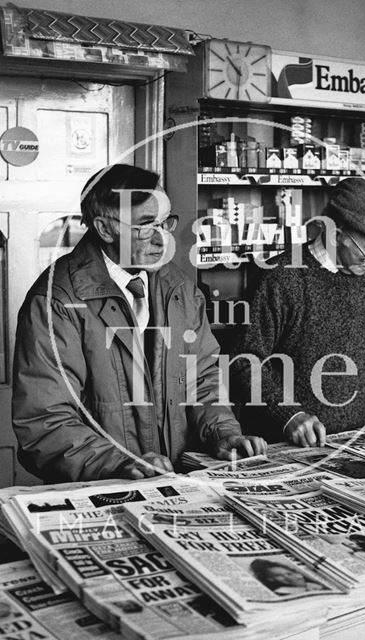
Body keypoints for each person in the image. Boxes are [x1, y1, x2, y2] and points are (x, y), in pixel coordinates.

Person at [12, 164, 266, 482]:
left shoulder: (181, 289)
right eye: (146, 225)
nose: (164, 240)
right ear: (105, 229)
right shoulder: (57, 301)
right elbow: (46, 420)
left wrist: (223, 433)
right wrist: (119, 463)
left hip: (179, 485)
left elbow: (202, 379)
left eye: (166, 223)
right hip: (103, 490)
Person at [230, 178, 365, 446]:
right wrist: (288, 415)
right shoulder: (280, 278)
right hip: (280, 440)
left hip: (347, 439)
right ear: (335, 234)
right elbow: (245, 359)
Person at [250, 558, 326, 595]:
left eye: (289, 573)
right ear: (270, 579)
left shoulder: (313, 585)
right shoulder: (281, 591)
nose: (288, 577)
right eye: (278, 575)